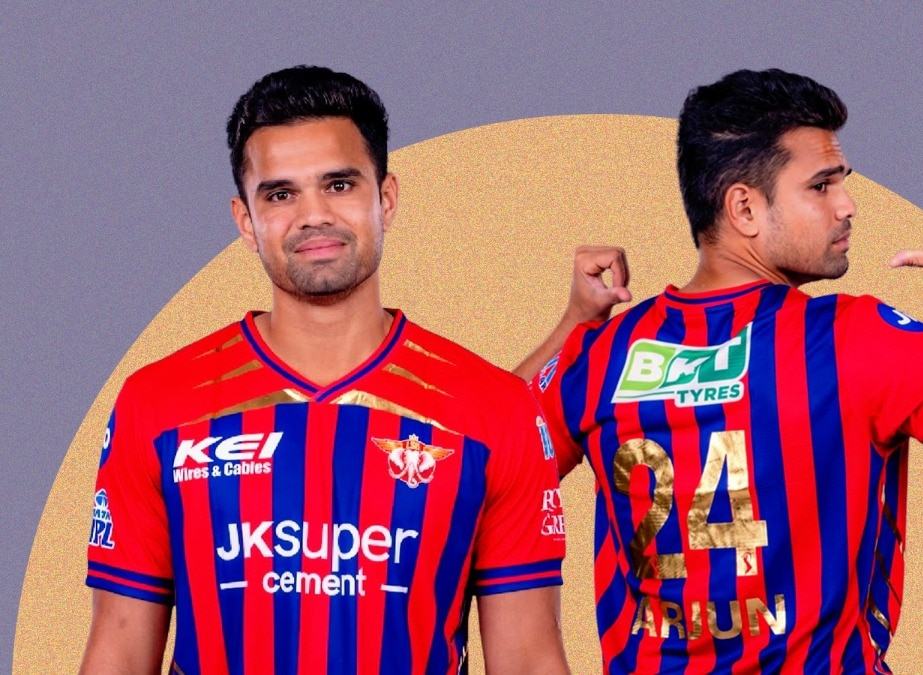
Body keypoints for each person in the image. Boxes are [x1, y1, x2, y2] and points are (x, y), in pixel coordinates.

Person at [516, 68, 923, 674]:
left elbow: (480, 449)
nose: (847, 206)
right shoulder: (854, 340)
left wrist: (576, 324)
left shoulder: (601, 354)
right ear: (745, 208)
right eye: (822, 186)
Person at [81, 65, 569, 675]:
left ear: (385, 199)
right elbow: (119, 647)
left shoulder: (495, 408)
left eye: (338, 184)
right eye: (280, 194)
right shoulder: (158, 402)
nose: (313, 215)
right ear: (245, 221)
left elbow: (529, 660)